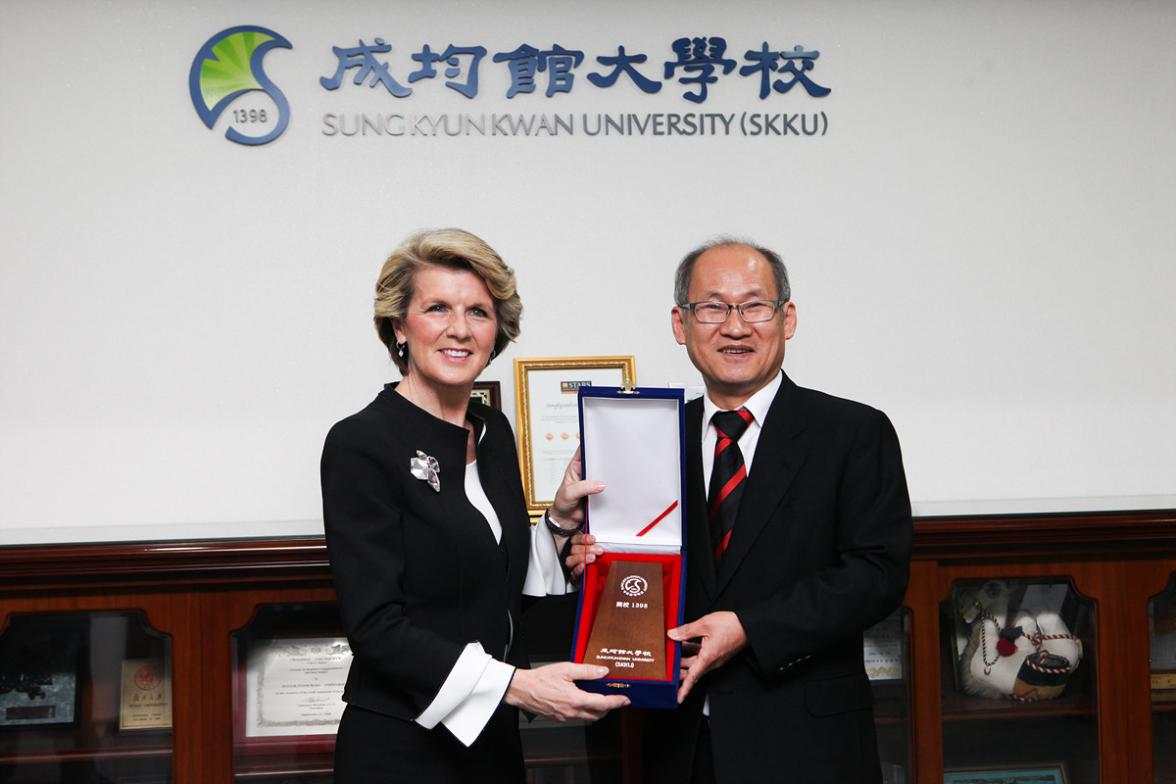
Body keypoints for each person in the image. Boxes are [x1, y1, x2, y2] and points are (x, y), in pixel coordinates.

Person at [569, 238, 912, 783]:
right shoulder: (652, 435)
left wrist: (749, 628)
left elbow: (877, 576)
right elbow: (635, 566)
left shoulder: (853, 433)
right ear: (681, 324)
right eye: (712, 307)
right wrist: (590, 560)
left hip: (808, 745)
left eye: (754, 305)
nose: (735, 327)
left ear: (787, 318)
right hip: (677, 745)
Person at [321, 228, 628, 784]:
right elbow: (376, 627)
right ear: (399, 326)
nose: (459, 329)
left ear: (497, 331)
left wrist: (558, 521)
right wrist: (517, 684)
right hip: (400, 747)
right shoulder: (361, 442)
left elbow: (492, 583)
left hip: (491, 742)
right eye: (437, 308)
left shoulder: (491, 430)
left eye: (478, 312)